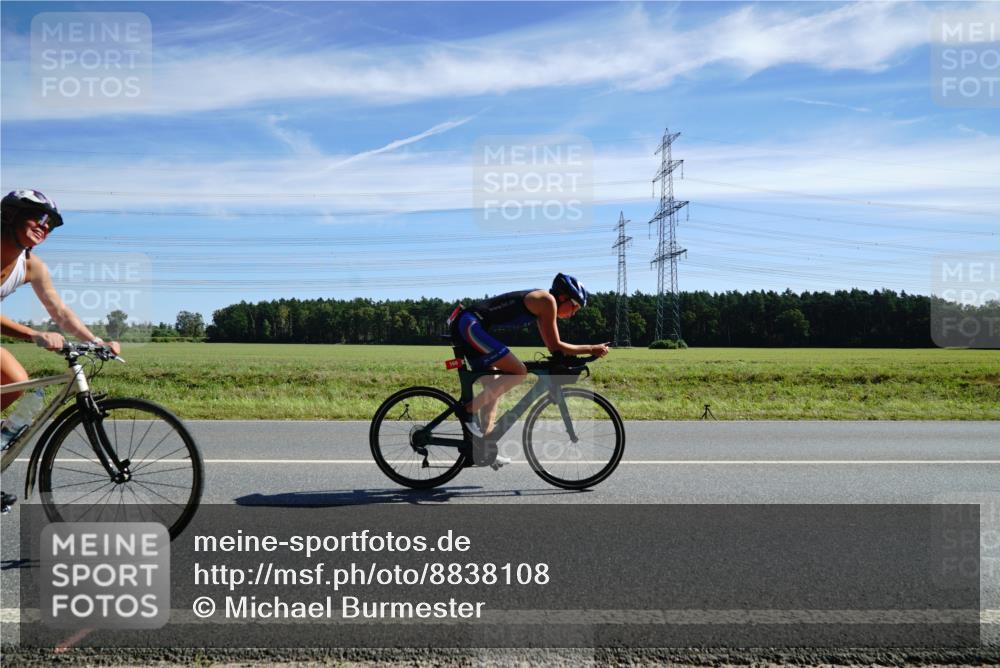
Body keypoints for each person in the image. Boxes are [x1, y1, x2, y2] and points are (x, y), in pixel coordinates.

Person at [1, 189, 120, 511]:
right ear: (10, 215)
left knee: (13, 382)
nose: (44, 227)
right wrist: (33, 334)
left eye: (50, 224)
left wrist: (95, 340)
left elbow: (60, 312)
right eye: (38, 218)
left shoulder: (31, 266)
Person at [448, 273, 609, 468]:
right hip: (471, 324)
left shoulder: (544, 305)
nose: (574, 313)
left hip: (470, 325)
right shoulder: (547, 301)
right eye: (575, 306)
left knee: (494, 383)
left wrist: (577, 354)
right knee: (519, 372)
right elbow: (556, 345)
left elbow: (554, 348)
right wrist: (592, 348)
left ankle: (484, 445)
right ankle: (467, 410)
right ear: (564, 297)